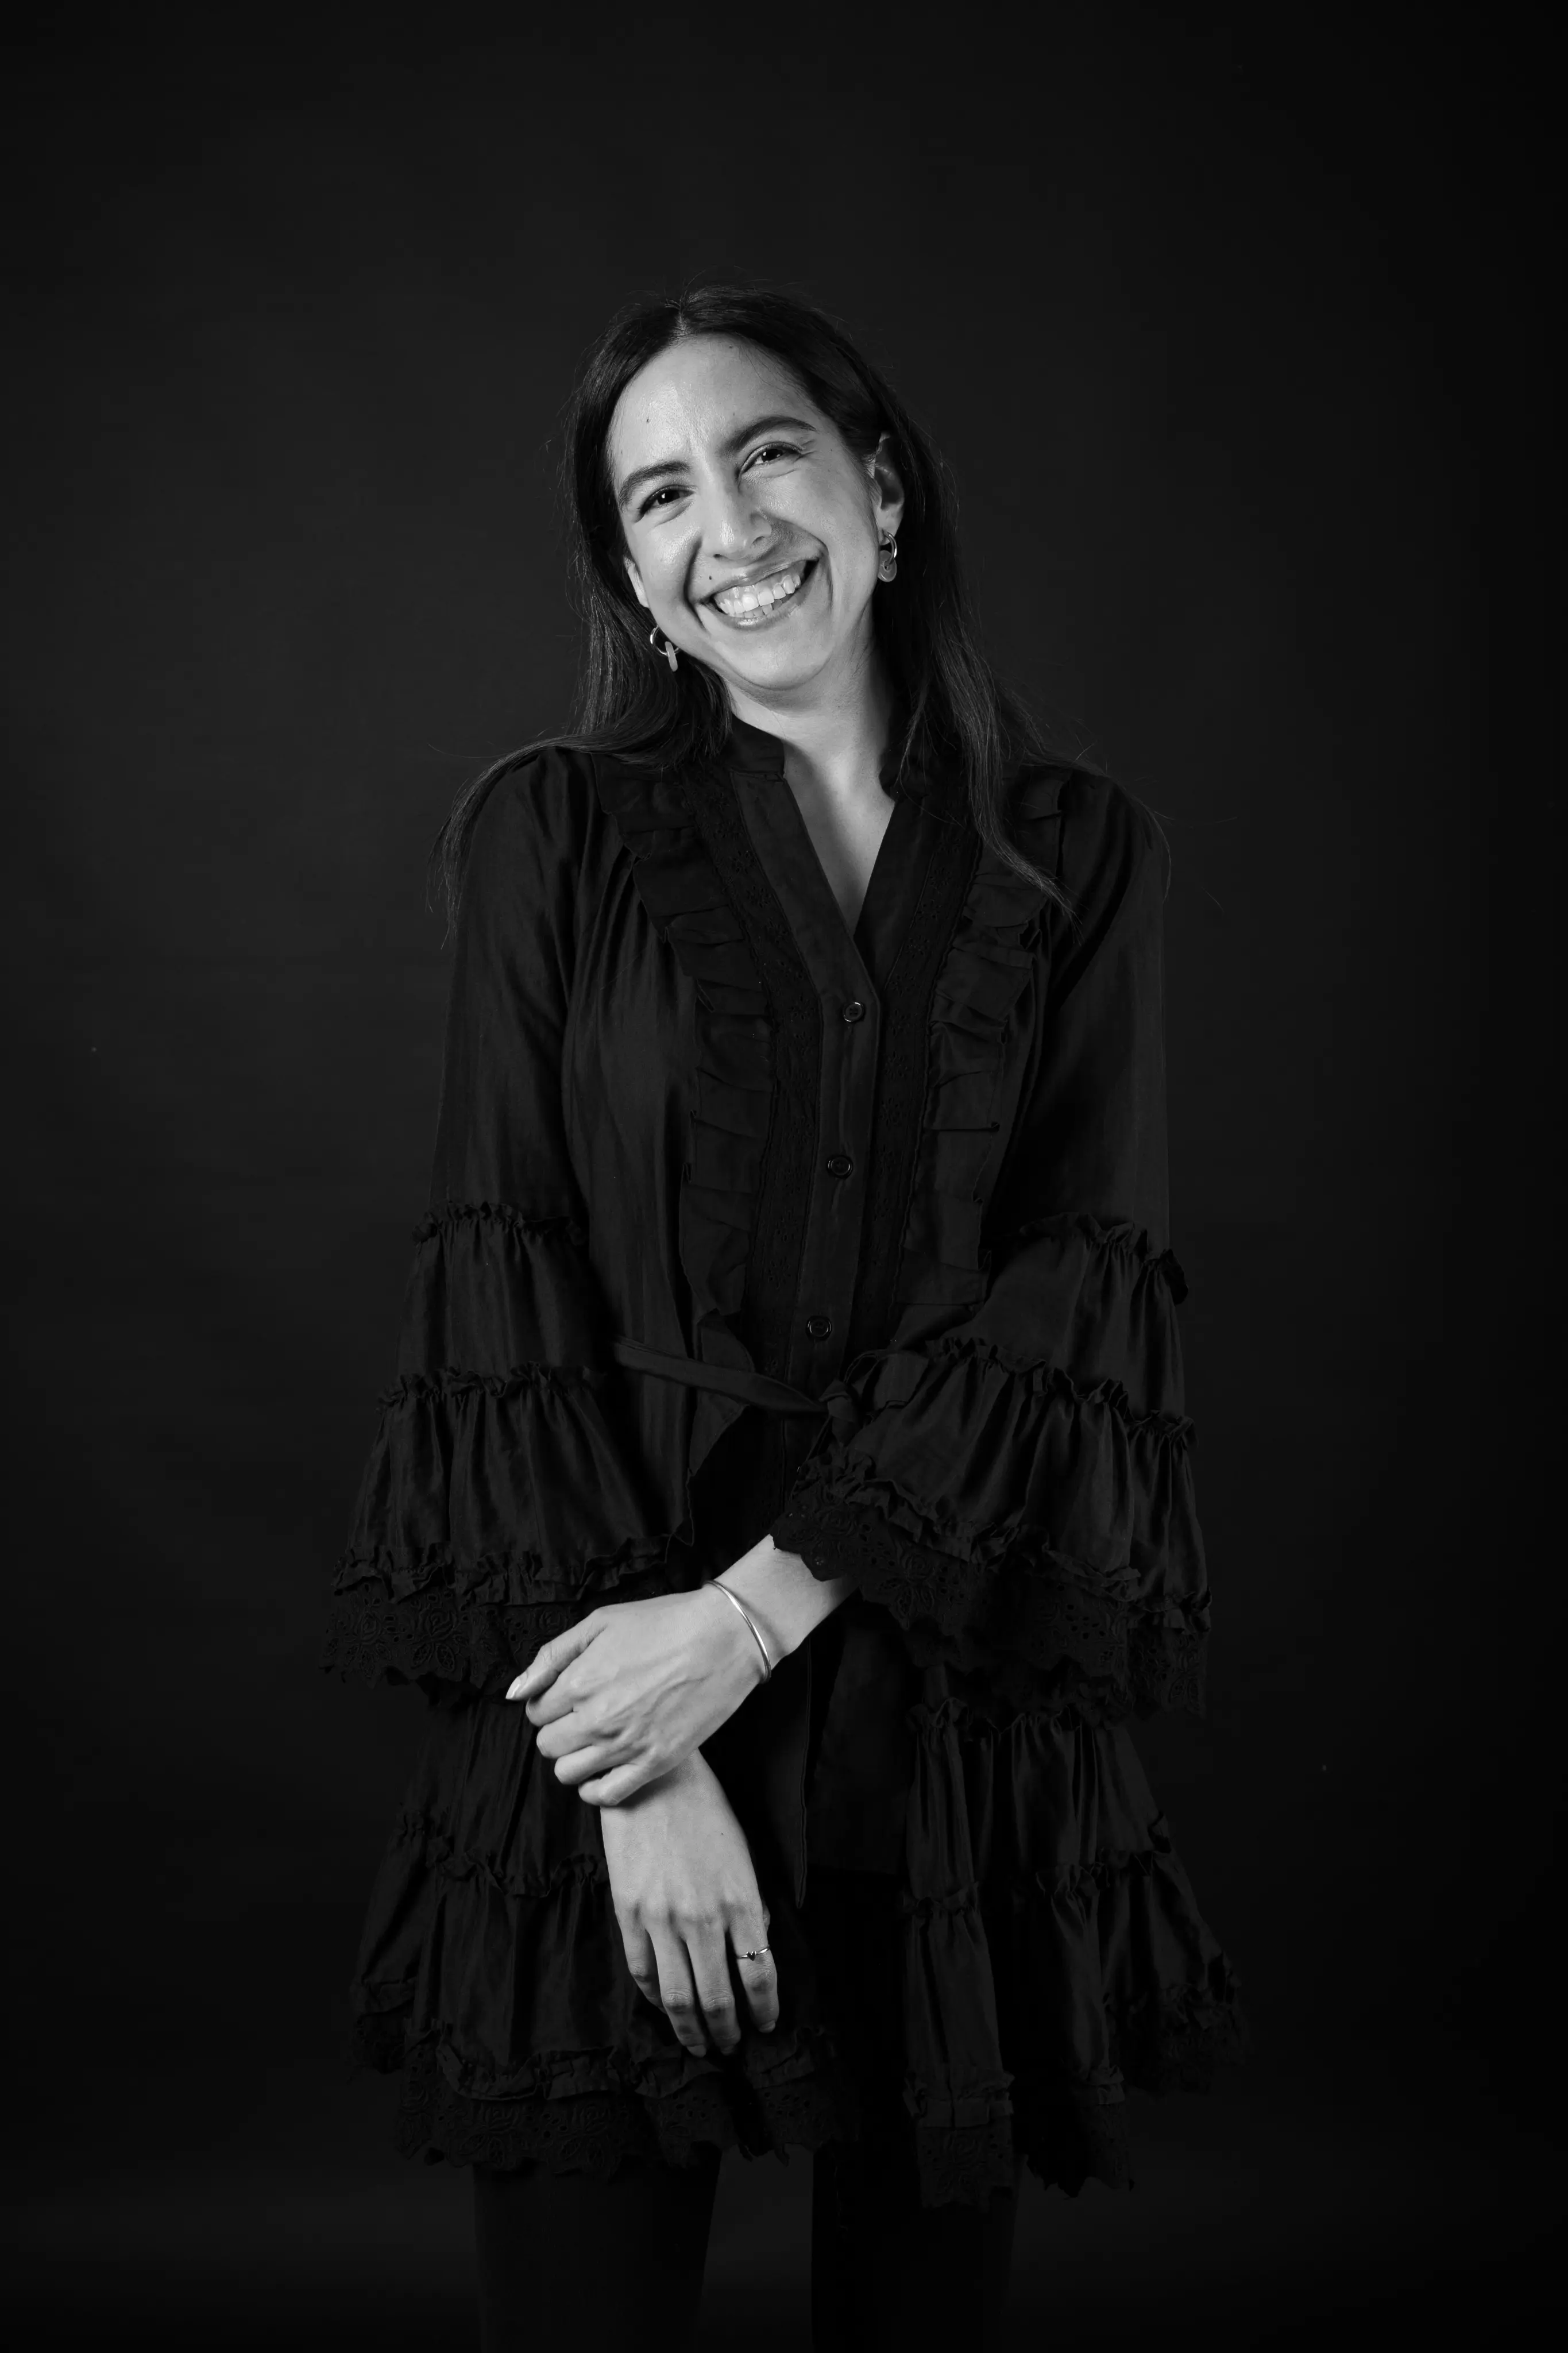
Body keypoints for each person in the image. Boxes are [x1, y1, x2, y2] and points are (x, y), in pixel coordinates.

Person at [326, 281, 1247, 2349]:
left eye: (764, 456)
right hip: (597, 1673)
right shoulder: (543, 837)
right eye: (658, 496)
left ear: (882, 493)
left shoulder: (1076, 857)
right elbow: (506, 1295)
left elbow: (1073, 1305)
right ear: (638, 583)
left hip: (929, 1687)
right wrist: (640, 1764)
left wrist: (754, 1620)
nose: (722, 523)